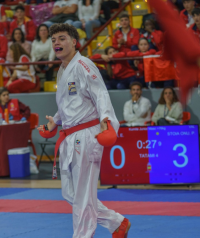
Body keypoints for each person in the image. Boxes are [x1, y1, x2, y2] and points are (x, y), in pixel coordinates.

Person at [37, 23, 130, 238]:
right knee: (71, 193)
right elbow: (68, 105)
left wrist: (107, 123)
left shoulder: (84, 65)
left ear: (74, 42)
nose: (56, 43)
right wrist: (55, 123)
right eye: (53, 40)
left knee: (82, 195)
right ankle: (116, 222)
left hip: (87, 135)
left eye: (61, 38)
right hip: (70, 136)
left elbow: (101, 95)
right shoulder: (62, 70)